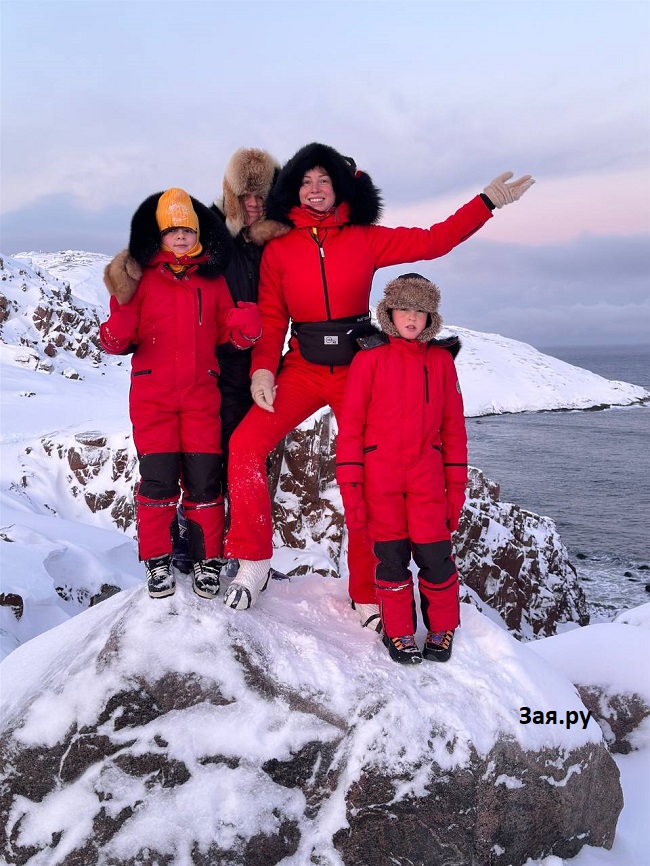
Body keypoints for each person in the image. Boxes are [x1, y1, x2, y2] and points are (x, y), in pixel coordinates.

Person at [222, 142, 534, 616]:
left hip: (358, 371)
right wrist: (264, 367)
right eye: (306, 181)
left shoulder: (364, 238)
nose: (315, 189)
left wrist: (486, 202)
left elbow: (434, 240)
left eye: (324, 180)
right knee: (245, 446)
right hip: (301, 369)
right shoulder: (279, 249)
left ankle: (367, 591)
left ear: (340, 187)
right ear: (294, 191)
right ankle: (253, 561)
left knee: (370, 473)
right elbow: (271, 313)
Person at [102, 148, 281, 576]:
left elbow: (228, 330)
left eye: (188, 229)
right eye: (172, 230)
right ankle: (160, 559)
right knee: (160, 481)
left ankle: (210, 558)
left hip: (212, 390)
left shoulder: (218, 274)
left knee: (207, 481)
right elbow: (115, 340)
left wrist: (247, 327)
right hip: (162, 396)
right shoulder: (144, 277)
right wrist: (123, 305)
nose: (181, 237)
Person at [336, 273, 466, 665]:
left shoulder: (441, 362)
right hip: (381, 480)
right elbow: (351, 431)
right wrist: (352, 491)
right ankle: (399, 631)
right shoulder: (369, 359)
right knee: (391, 559)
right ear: (389, 312)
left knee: (436, 558)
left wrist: (455, 491)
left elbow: (454, 430)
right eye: (404, 309)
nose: (412, 318)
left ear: (431, 318)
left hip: (427, 480)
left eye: (421, 311)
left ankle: (441, 628)